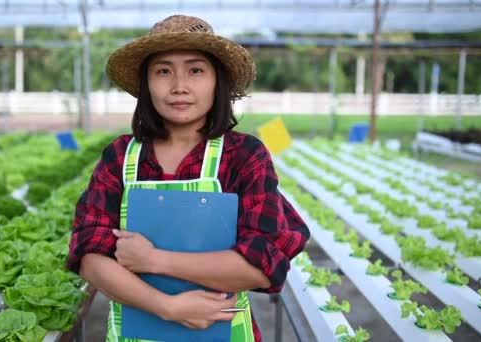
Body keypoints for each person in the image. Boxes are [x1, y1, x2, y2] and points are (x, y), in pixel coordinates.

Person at [67, 14, 310, 342]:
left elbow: (259, 265)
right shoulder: (120, 157)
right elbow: (90, 257)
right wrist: (167, 307)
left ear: (216, 81)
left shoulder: (243, 156)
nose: (179, 86)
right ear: (147, 83)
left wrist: (154, 260)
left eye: (196, 70)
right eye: (163, 71)